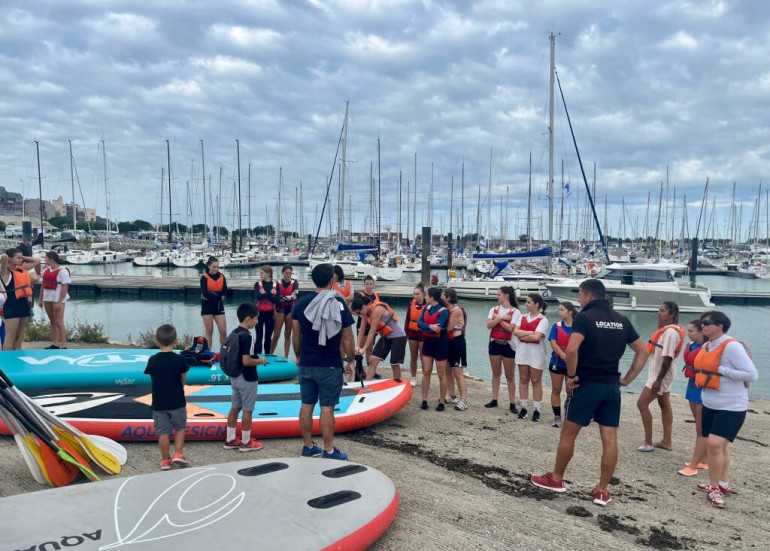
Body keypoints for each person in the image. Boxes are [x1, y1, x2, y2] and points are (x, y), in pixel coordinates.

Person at [531, 278, 649, 507]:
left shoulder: (585, 318)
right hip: (611, 386)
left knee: (568, 434)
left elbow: (572, 348)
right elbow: (643, 351)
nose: (579, 300)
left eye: (580, 296)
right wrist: (627, 379)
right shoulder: (621, 319)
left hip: (587, 385)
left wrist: (572, 375)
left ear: (588, 295)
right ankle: (602, 490)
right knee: (610, 440)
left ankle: (556, 479)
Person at [693, 311, 758, 509]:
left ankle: (714, 488)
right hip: (711, 404)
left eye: (707, 323)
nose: (702, 326)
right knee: (720, 447)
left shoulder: (731, 346)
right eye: (702, 323)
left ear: (720, 326)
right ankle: (722, 483)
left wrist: (722, 370)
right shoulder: (707, 345)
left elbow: (751, 374)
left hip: (731, 406)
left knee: (714, 444)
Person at [293, 263, 355, 460]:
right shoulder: (337, 302)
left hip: (307, 361)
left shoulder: (301, 303)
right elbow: (347, 335)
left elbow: (296, 334)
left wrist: (298, 355)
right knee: (327, 407)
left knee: (306, 404)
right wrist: (351, 359)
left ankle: (308, 446)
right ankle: (329, 450)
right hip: (329, 362)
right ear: (332, 280)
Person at [636, 301, 684, 452]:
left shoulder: (671, 333)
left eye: (662, 311)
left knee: (641, 404)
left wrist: (658, 380)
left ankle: (648, 442)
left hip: (661, 374)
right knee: (664, 404)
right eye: (659, 310)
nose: (659, 313)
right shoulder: (666, 330)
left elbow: (668, 358)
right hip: (660, 373)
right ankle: (666, 441)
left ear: (671, 314)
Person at [143, 324, 190, 470]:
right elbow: (183, 378)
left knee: (162, 432)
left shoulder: (153, 360)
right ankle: (178, 453)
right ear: (176, 340)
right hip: (177, 400)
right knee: (180, 428)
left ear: (157, 342)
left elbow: (153, 376)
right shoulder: (180, 360)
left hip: (159, 402)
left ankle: (165, 460)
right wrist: (180, 386)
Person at [223, 303, 268, 452]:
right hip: (247, 378)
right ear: (248, 319)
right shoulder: (248, 337)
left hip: (235, 377)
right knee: (248, 410)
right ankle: (246, 442)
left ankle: (230, 439)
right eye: (256, 319)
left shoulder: (234, 332)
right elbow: (246, 361)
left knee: (235, 407)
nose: (257, 322)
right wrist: (261, 361)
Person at [351, 295, 407, 380]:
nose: (359, 315)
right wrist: (357, 346)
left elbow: (372, 331)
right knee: (372, 360)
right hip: (386, 337)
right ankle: (367, 384)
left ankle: (397, 382)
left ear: (363, 307)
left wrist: (364, 348)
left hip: (398, 336)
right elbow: (361, 330)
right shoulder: (365, 313)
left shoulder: (377, 309)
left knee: (394, 364)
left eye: (359, 312)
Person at [678, 319, 708, 477]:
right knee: (698, 424)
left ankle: (695, 464)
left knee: (701, 428)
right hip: (692, 384)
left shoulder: (707, 347)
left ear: (701, 332)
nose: (688, 334)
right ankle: (704, 459)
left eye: (691, 331)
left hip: (701, 387)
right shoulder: (692, 346)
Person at [484, 286, 520, 412]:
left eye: (499, 294)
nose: (497, 296)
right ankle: (494, 399)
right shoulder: (493, 309)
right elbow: (489, 325)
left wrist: (497, 318)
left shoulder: (515, 312)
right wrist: (502, 318)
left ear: (506, 296)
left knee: (510, 375)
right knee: (496, 373)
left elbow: (511, 329)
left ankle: (512, 403)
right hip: (495, 343)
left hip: (508, 345)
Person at [514, 293, 549, 422]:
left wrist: (523, 335)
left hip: (536, 352)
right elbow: (515, 332)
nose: (526, 304)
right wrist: (529, 332)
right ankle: (523, 407)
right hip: (523, 351)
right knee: (523, 379)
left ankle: (537, 409)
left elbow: (536, 337)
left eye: (529, 302)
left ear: (536, 304)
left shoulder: (543, 320)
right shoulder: (522, 317)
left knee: (535, 381)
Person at [0, 248, 40, 350]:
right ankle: (6, 362)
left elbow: (37, 261)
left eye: (21, 257)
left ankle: (17, 359)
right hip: (11, 305)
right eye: (18, 258)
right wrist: (6, 257)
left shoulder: (22, 269)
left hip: (23, 304)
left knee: (19, 338)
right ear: (10, 259)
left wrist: (23, 257)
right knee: (10, 337)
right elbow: (4, 258)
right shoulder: (5, 272)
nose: (21, 260)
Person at [418, 287, 449, 411]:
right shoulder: (426, 308)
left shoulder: (444, 311)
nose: (425, 297)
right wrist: (429, 326)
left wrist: (427, 327)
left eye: (426, 295)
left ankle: (442, 401)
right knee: (426, 371)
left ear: (432, 297)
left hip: (440, 343)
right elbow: (419, 323)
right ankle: (424, 399)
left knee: (441, 374)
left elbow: (437, 328)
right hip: (428, 342)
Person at [548, 302, 577, 428]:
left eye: (562, 310)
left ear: (570, 312)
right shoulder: (556, 326)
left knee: (571, 390)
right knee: (556, 389)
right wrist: (563, 355)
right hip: (557, 362)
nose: (559, 312)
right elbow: (553, 343)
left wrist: (571, 357)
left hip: (573, 363)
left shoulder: (578, 327)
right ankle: (557, 416)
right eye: (559, 309)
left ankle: (570, 415)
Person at [443, 288, 469, 411]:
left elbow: (448, 328)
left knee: (458, 372)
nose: (440, 298)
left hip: (457, 343)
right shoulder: (445, 310)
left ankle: (463, 399)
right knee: (447, 370)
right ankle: (452, 395)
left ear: (448, 298)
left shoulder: (456, 311)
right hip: (447, 342)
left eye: (443, 296)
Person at [38, 251, 70, 350]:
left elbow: (65, 287)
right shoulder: (46, 270)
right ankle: (55, 343)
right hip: (48, 298)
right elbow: (43, 285)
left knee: (59, 321)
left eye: (46, 258)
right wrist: (40, 299)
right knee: (52, 321)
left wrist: (60, 301)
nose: (45, 260)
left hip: (57, 298)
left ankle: (63, 344)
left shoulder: (62, 271)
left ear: (51, 259)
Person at [270, 264, 298, 357]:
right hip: (279, 309)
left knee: (288, 333)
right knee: (276, 334)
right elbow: (275, 295)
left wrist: (283, 297)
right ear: (283, 273)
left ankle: (286, 356)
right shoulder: (276, 283)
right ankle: (270, 354)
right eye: (286, 273)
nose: (288, 275)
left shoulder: (295, 282)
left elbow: (295, 295)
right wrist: (285, 298)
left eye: (290, 273)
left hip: (290, 309)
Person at [200, 256, 227, 347]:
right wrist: (218, 295)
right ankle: (208, 354)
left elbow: (224, 291)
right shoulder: (204, 277)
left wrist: (214, 294)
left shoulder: (222, 276)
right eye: (214, 267)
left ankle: (224, 354)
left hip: (218, 305)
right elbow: (205, 293)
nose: (216, 269)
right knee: (209, 331)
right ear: (209, 266)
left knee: (223, 331)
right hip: (207, 306)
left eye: (217, 267)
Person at [403, 283, 427, 387]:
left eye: (417, 294)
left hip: (423, 334)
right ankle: (413, 377)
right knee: (413, 356)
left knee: (423, 357)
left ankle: (425, 377)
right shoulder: (411, 303)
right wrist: (405, 333)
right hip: (412, 333)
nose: (415, 296)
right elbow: (407, 319)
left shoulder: (428, 304)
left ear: (423, 294)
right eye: (414, 294)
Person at [253, 266, 279, 354]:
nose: (260, 275)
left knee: (268, 337)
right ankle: (257, 357)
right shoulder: (257, 284)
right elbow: (258, 297)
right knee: (259, 336)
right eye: (260, 273)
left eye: (262, 273)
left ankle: (267, 356)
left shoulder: (275, 285)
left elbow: (277, 300)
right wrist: (270, 293)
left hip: (270, 314)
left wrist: (266, 294)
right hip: (259, 314)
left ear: (268, 274)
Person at [356, 275, 380, 364]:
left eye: (370, 284)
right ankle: (359, 369)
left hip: (373, 324)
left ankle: (370, 368)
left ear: (373, 284)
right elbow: (353, 309)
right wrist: (361, 315)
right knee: (360, 347)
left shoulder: (376, 295)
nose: (369, 286)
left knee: (370, 348)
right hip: (362, 324)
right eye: (367, 284)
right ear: (364, 285)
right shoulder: (360, 295)